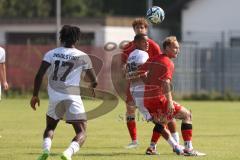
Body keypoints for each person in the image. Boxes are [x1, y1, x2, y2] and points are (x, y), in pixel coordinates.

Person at [30, 25, 97, 160]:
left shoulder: (51, 53)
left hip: (54, 96)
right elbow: (94, 80)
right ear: (77, 39)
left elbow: (39, 75)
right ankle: (68, 153)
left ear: (61, 37)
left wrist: (35, 95)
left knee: (50, 126)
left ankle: (46, 150)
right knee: (82, 132)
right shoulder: (82, 56)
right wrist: (92, 87)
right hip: (72, 96)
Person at [139, 36, 206, 156]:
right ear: (167, 48)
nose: (177, 50)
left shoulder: (154, 58)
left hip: (147, 99)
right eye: (175, 48)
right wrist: (169, 102)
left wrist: (149, 84)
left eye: (178, 48)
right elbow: (166, 83)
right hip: (159, 98)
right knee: (186, 115)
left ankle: (151, 147)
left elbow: (140, 72)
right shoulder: (167, 62)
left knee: (162, 121)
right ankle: (188, 149)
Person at [122, 17, 179, 154]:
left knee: (163, 118)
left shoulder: (140, 50)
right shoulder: (138, 52)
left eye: (142, 27)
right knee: (163, 117)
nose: (147, 44)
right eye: (137, 28)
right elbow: (143, 72)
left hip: (140, 89)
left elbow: (130, 73)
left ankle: (170, 145)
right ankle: (175, 146)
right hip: (144, 90)